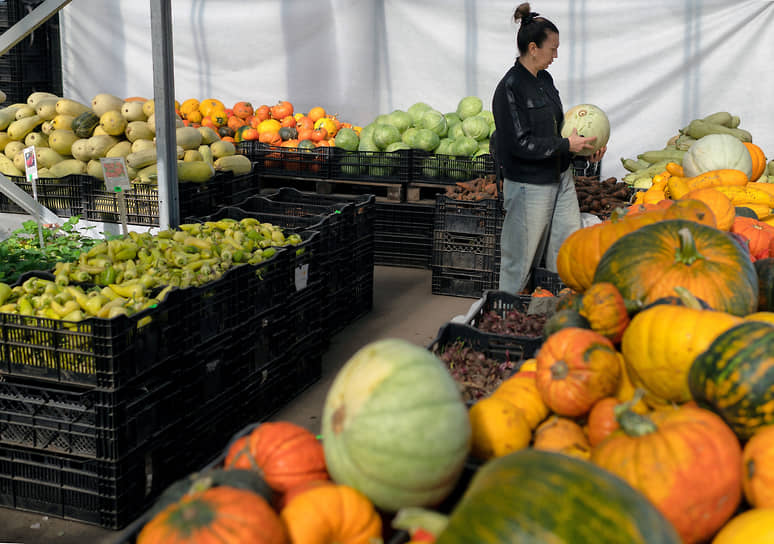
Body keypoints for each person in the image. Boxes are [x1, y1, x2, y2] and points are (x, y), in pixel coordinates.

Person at [492, 3, 606, 294]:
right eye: (552, 48)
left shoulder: (544, 80)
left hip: (561, 177)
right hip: (530, 185)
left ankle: (553, 308)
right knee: (520, 258)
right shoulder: (510, 87)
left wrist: (581, 150)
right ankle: (506, 317)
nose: (556, 55)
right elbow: (520, 144)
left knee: (565, 251)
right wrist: (566, 144)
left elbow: (557, 130)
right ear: (533, 47)